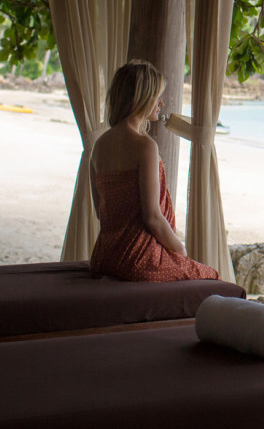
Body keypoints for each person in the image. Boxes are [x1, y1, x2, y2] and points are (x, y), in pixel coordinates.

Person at [89, 59, 219, 282]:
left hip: (104, 257)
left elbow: (101, 212)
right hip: (137, 259)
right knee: (211, 277)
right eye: (157, 97)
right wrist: (180, 249)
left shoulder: (99, 146)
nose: (161, 103)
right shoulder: (145, 146)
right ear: (142, 98)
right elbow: (152, 217)